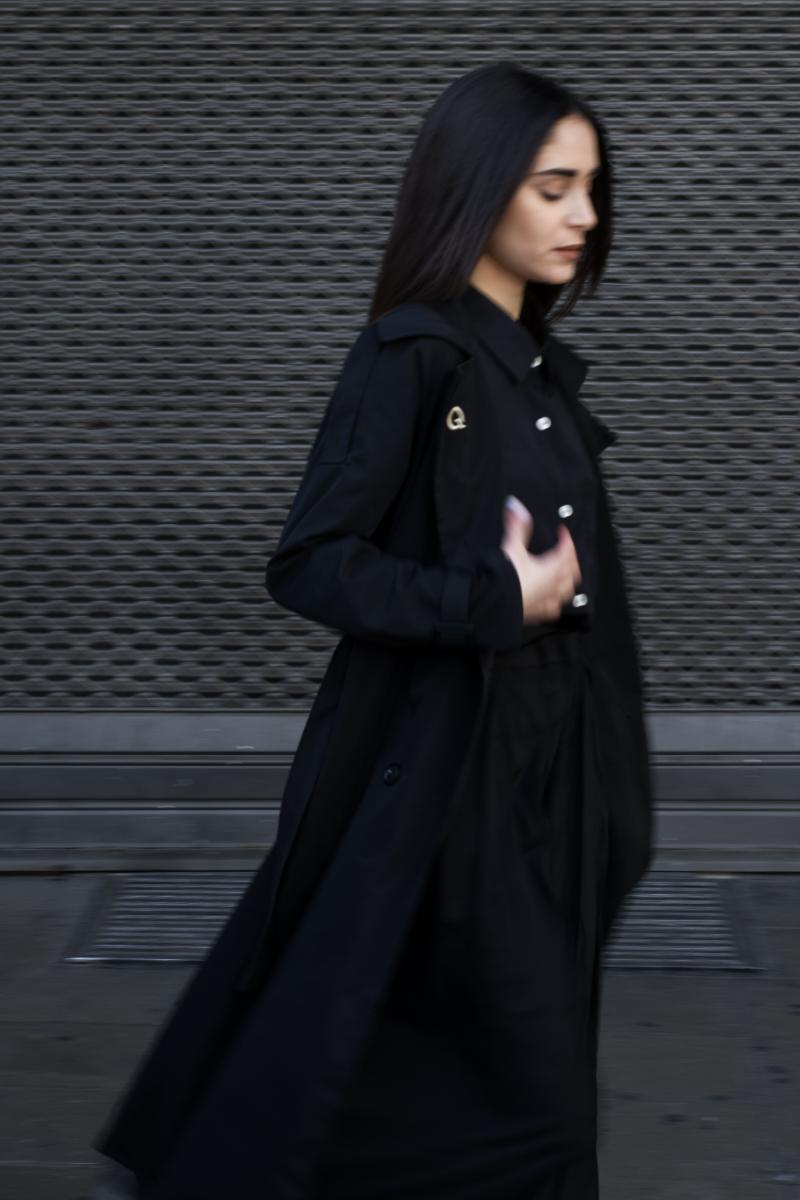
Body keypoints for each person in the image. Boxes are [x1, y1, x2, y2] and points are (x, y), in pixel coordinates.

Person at [92, 61, 653, 1200]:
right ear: (478, 185)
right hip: (456, 789)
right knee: (531, 1104)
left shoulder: (534, 374)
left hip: (553, 787)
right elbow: (310, 561)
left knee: (456, 1073)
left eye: (590, 188)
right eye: (552, 187)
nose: (584, 216)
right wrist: (490, 601)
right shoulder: (414, 357)